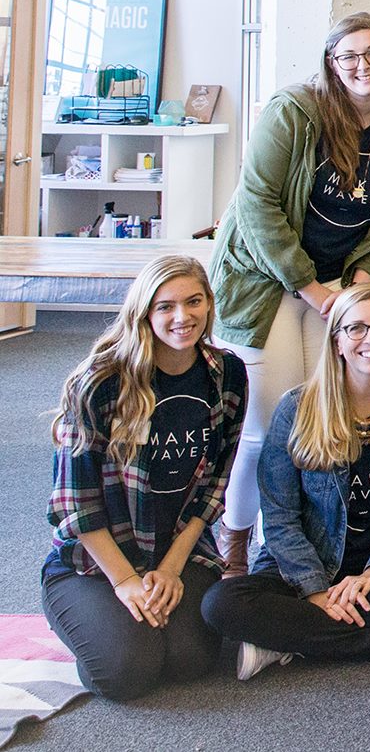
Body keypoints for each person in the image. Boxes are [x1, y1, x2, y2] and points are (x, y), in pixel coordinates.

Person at [212, 13, 370, 575]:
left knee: (322, 421)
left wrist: (364, 279)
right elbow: (256, 203)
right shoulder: (294, 112)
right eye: (348, 55)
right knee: (267, 426)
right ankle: (235, 541)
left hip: (336, 289)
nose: (363, 65)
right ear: (332, 62)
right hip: (266, 283)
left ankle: (294, 544)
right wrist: (307, 286)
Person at [202, 285, 370, 679]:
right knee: (220, 602)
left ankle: (288, 641)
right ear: (337, 341)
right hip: (301, 567)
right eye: (356, 328)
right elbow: (279, 515)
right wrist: (315, 591)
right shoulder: (297, 408)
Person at [43, 257, 247, 701]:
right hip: (96, 561)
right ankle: (85, 620)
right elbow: (76, 505)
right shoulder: (100, 381)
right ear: (144, 313)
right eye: (165, 306)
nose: (182, 317)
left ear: (209, 304)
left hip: (177, 550)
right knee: (127, 672)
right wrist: (125, 582)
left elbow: (216, 483)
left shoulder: (227, 374)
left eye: (194, 301)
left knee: (189, 661)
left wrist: (171, 568)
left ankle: (129, 622)